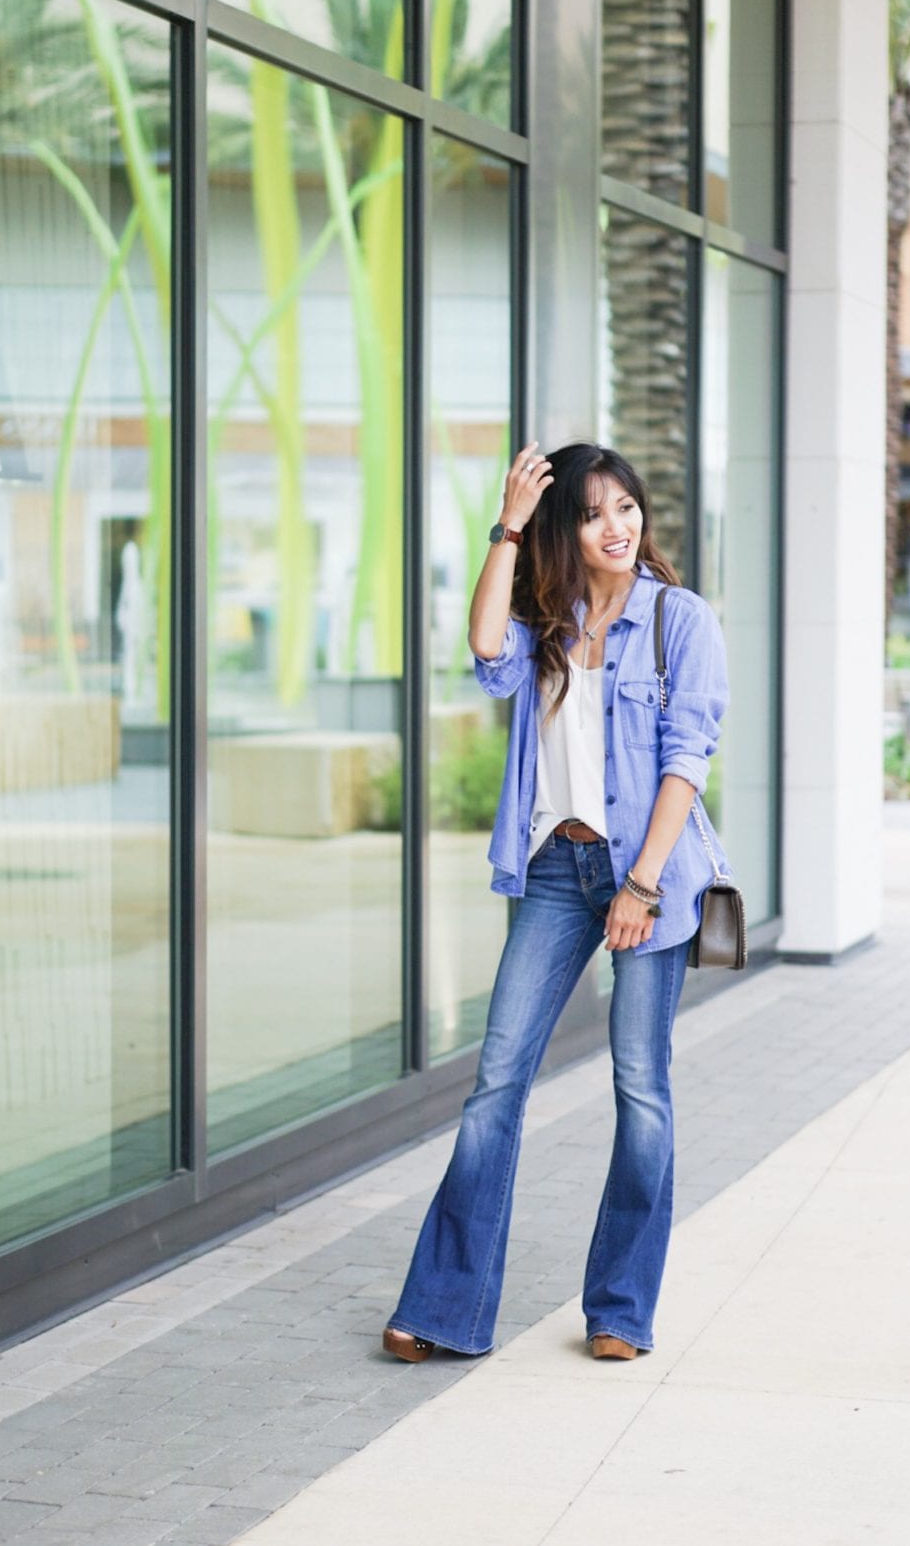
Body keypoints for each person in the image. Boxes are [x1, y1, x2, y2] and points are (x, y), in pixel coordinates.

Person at [383, 440, 732, 1363]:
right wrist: (506, 524)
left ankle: (620, 1308)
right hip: (552, 871)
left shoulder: (679, 621)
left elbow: (685, 761)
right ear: (563, 531)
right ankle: (444, 1309)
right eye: (590, 513)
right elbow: (484, 646)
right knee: (496, 1085)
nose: (615, 528)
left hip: (642, 878)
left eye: (626, 508)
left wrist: (643, 885)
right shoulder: (546, 620)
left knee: (639, 1090)